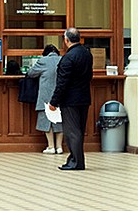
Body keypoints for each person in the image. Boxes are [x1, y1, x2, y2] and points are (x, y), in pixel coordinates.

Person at [49, 28, 93, 171]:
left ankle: (76, 162)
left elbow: (62, 83)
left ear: (66, 40)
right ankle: (74, 159)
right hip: (84, 98)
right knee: (79, 130)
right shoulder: (87, 54)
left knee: (72, 132)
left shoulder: (68, 58)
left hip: (70, 100)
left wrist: (54, 101)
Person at [27, 45, 64, 154]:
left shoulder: (43, 61)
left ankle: (51, 146)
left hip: (46, 96)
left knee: (47, 120)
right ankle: (59, 146)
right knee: (60, 120)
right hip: (61, 95)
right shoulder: (63, 60)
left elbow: (31, 73)